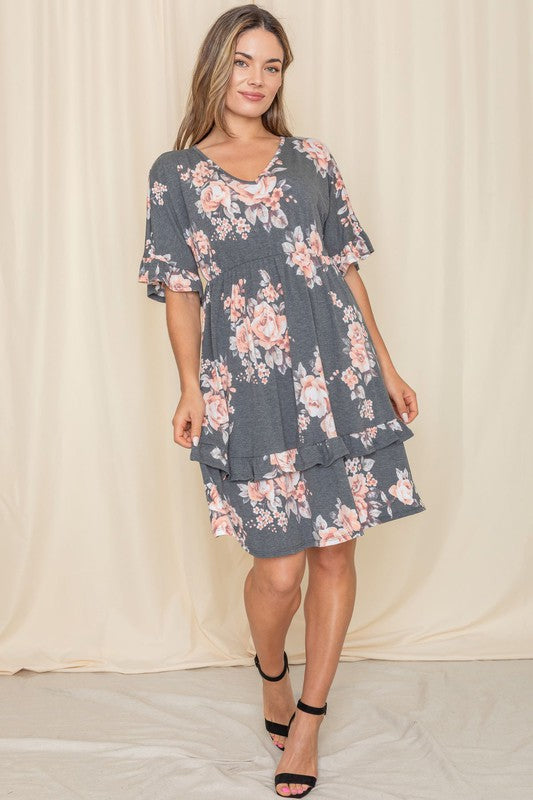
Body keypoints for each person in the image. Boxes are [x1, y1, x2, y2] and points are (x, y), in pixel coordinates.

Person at [138, 4, 427, 797]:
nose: (257, 80)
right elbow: (180, 290)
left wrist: (388, 368)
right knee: (277, 572)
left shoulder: (311, 160)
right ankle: (270, 668)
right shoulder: (176, 172)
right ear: (215, 68)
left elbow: (343, 268)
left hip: (339, 375)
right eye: (242, 62)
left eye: (271, 66)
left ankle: (308, 720)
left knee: (336, 551)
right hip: (249, 388)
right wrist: (191, 388)